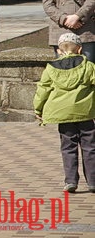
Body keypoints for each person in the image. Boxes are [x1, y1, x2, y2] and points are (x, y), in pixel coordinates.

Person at [33, 33, 95, 193]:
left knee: (68, 147)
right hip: (85, 113)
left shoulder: (51, 68)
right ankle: (93, 181)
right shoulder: (89, 66)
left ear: (59, 51)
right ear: (80, 49)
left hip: (63, 114)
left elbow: (43, 90)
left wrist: (38, 109)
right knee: (90, 147)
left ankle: (70, 181)